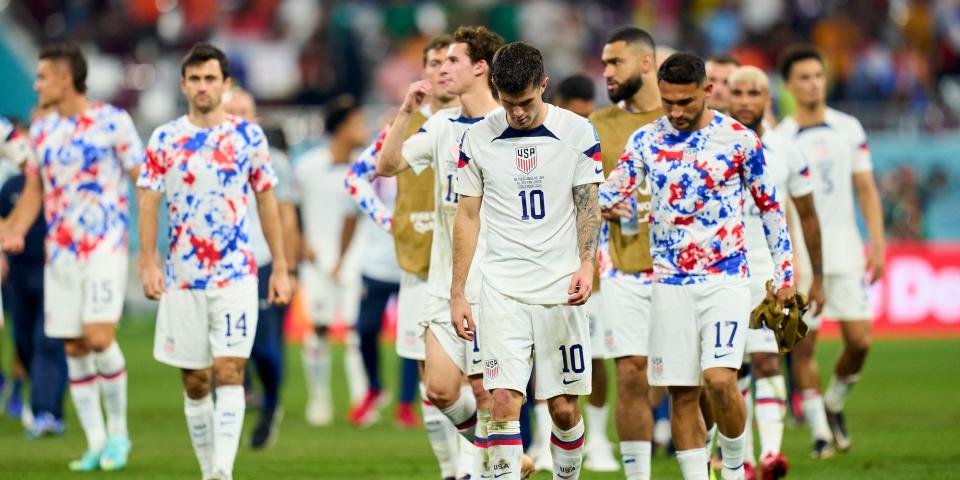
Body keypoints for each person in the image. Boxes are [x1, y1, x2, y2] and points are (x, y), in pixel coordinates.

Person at [600, 52, 795, 480]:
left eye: (685, 102)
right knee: (682, 392)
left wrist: (786, 277)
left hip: (726, 280)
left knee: (721, 381)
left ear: (707, 91)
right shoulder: (647, 140)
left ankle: (731, 466)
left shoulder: (739, 140)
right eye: (668, 101)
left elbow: (770, 209)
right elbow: (608, 195)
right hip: (668, 284)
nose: (676, 111)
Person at [137, 43, 292, 480]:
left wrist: (280, 266)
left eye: (211, 79)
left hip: (236, 274)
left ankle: (220, 470)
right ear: (183, 84)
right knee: (195, 381)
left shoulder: (248, 136)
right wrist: (147, 262)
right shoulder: (164, 137)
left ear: (226, 85)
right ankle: (209, 467)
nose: (203, 86)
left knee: (229, 369)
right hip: (183, 278)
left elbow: (268, 200)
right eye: (195, 79)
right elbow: (148, 200)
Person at [452, 41, 603, 480]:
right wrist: (458, 292)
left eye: (526, 102)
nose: (516, 112)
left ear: (544, 86)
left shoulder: (578, 132)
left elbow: (587, 204)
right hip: (502, 288)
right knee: (502, 401)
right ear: (495, 89)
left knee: (562, 408)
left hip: (560, 288)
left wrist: (587, 264)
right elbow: (467, 215)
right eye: (506, 102)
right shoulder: (477, 138)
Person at [2, 44, 141, 472]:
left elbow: (144, 180)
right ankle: (97, 443)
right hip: (59, 254)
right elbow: (34, 190)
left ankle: (119, 433)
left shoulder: (113, 122)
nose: (36, 84)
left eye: (42, 77)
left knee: (99, 338)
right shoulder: (43, 133)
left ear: (65, 79)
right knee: (75, 346)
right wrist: (13, 231)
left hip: (104, 247)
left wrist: (150, 248)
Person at [376, 25, 507, 478]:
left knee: (489, 390)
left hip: (495, 281)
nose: (440, 68)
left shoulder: (510, 126)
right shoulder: (442, 125)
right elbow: (386, 165)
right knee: (440, 390)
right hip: (444, 280)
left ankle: (491, 467)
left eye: (452, 61)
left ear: (479, 68)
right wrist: (405, 110)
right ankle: (504, 453)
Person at [344, 34, 476, 479]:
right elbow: (357, 178)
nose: (442, 69)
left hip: (470, 266)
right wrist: (390, 223)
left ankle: (486, 457)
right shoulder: (407, 124)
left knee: (479, 374)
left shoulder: (477, 121)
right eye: (434, 62)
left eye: (449, 60)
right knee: (431, 379)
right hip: (419, 266)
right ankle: (451, 468)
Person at [775, 45, 885, 457]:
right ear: (789, 85)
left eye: (818, 75)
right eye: (803, 77)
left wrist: (877, 242)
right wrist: (791, 262)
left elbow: (867, 189)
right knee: (805, 347)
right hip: (803, 257)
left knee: (860, 341)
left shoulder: (849, 127)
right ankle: (821, 432)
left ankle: (834, 404)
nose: (813, 83)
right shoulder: (781, 138)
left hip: (846, 251)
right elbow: (782, 205)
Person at [728, 65, 825, 478]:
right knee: (731, 371)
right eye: (740, 92)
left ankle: (769, 455)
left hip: (768, 274)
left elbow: (807, 215)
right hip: (721, 272)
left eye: (755, 93)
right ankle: (741, 458)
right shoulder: (710, 144)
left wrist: (815, 275)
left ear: (768, 99)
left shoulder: (787, 149)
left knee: (767, 362)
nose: (747, 100)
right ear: (726, 97)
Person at [589, 27, 666, 479]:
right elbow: (580, 196)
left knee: (693, 385)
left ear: (645, 63)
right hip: (624, 270)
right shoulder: (598, 126)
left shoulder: (687, 118)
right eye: (604, 64)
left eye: (615, 62)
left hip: (686, 271)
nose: (607, 72)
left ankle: (717, 461)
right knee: (632, 374)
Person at [222, 87, 299, 449]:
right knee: (222, 350)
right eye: (231, 111)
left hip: (262, 262)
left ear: (255, 120)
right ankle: (225, 422)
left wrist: (288, 267)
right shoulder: (207, 155)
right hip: (218, 265)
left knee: (263, 348)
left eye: (244, 112)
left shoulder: (274, 160)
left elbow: (286, 216)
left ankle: (270, 405)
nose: (237, 118)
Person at [296, 95, 370, 426]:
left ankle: (361, 400)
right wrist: (299, 244)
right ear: (341, 126)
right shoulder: (308, 166)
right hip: (316, 260)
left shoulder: (365, 167)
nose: (362, 128)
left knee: (357, 331)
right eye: (357, 122)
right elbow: (290, 209)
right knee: (318, 330)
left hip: (355, 259)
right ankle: (319, 399)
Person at [0, 117, 68, 437]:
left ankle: (47, 409)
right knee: (24, 340)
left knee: (49, 340)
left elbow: (30, 162)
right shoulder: (10, 188)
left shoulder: (59, 187)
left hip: (54, 268)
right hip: (19, 272)